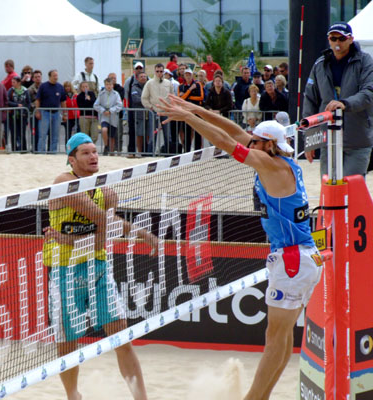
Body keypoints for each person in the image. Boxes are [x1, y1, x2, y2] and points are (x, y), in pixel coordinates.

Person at [158, 95, 321, 400]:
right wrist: (195, 109)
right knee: (281, 338)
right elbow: (233, 130)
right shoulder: (277, 157)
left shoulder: (269, 165)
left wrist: (189, 119)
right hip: (299, 257)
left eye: (256, 141)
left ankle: (252, 398)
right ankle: (263, 396)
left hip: (293, 260)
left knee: (275, 338)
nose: (251, 143)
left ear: (268, 145)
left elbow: (227, 143)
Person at [42, 132, 156, 400]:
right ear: (72, 160)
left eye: (95, 151)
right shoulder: (64, 182)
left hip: (97, 267)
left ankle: (141, 398)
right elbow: (103, 221)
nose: (93, 156)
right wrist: (102, 229)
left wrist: (142, 233)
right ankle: (73, 396)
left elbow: (109, 227)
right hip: (64, 271)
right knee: (68, 344)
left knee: (121, 338)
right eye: (85, 152)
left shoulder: (106, 190)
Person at [303, 21, 373, 178]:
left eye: (341, 38)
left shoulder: (365, 61)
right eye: (333, 38)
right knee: (329, 190)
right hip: (329, 139)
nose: (337, 42)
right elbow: (310, 100)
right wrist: (309, 140)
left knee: (352, 188)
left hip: (357, 139)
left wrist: (345, 104)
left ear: (350, 39)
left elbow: (369, 92)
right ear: (328, 40)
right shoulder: (320, 65)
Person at [142, 63, 176, 154]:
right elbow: (144, 98)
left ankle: (168, 154)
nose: (159, 73)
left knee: (167, 135)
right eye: (157, 71)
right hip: (154, 112)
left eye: (161, 71)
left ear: (163, 72)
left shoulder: (168, 83)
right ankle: (150, 155)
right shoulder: (149, 83)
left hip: (165, 112)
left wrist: (170, 107)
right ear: (154, 71)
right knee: (153, 134)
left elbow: (173, 97)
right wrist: (151, 107)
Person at [34, 69, 66, 153]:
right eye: (54, 75)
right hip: (45, 113)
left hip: (56, 113)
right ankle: (41, 152)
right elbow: (38, 100)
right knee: (43, 135)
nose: (56, 77)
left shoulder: (60, 87)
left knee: (55, 135)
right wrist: (37, 111)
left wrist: (65, 113)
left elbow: (63, 101)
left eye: (57, 75)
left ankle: (53, 152)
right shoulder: (43, 86)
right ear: (50, 76)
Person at [94, 77, 122, 155]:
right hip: (104, 116)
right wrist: (103, 110)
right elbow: (96, 105)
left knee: (112, 136)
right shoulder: (101, 94)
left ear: (112, 85)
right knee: (104, 130)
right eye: (107, 84)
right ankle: (106, 145)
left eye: (110, 84)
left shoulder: (116, 94)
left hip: (113, 116)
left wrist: (111, 110)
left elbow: (119, 105)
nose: (108, 86)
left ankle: (111, 151)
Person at [123, 61, 145, 154]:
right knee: (132, 131)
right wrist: (127, 110)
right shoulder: (129, 80)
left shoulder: (147, 79)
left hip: (145, 110)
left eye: (140, 68)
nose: (139, 70)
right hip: (132, 109)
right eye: (137, 68)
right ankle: (131, 151)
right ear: (134, 70)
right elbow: (126, 96)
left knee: (144, 132)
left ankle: (144, 151)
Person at [7, 76, 31, 151]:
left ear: (19, 82)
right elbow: (7, 101)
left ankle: (23, 149)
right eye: (12, 82)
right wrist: (16, 105)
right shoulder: (11, 90)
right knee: (14, 132)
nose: (12, 84)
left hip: (23, 115)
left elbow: (28, 102)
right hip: (13, 115)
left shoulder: (25, 90)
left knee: (22, 133)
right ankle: (14, 149)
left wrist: (26, 111)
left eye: (14, 82)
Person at [130, 71, 151, 156]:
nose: (143, 78)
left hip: (149, 114)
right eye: (141, 76)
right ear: (137, 78)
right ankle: (139, 152)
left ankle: (148, 152)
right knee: (140, 134)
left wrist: (145, 100)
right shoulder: (134, 87)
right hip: (139, 114)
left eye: (144, 76)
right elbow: (135, 99)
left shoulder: (150, 86)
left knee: (149, 134)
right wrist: (146, 100)